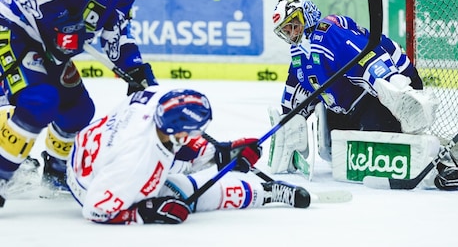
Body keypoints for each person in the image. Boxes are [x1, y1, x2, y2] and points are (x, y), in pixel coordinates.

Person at [0, 0, 160, 207]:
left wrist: (136, 69)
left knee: (78, 110)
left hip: (51, 49)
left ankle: (56, 171)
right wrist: (60, 21)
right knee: (39, 102)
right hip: (16, 30)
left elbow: (117, 31)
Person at [268, 0, 458, 190]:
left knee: (380, 142)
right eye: (286, 31)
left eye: (294, 25)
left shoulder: (328, 33)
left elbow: (369, 59)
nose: (292, 33)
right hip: (351, 103)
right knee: (336, 150)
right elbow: (298, 88)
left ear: (306, 15)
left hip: (389, 85)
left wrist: (397, 92)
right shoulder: (299, 51)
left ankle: (438, 165)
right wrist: (288, 122)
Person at [66, 86, 310, 224]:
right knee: (185, 192)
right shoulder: (137, 165)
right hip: (90, 186)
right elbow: (95, 210)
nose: (198, 135)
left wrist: (221, 153)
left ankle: (260, 188)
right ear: (175, 132)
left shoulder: (153, 98)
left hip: (95, 152)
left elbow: (175, 148)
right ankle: (265, 194)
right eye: (194, 132)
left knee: (177, 176)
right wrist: (148, 211)